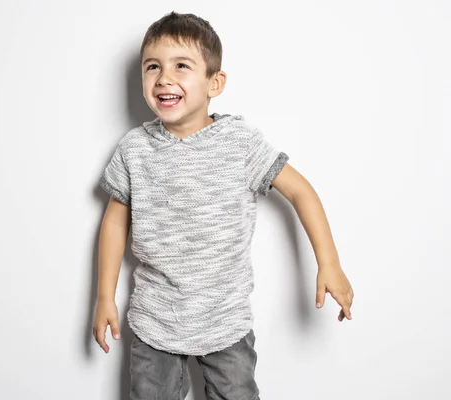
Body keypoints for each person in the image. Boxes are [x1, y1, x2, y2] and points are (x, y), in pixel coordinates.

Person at [93, 11, 354, 400]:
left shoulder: (239, 143)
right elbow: (114, 223)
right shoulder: (135, 149)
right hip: (156, 319)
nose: (164, 78)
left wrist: (329, 263)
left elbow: (301, 192)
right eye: (153, 67)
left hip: (224, 320)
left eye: (181, 66)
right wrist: (104, 297)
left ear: (215, 83)